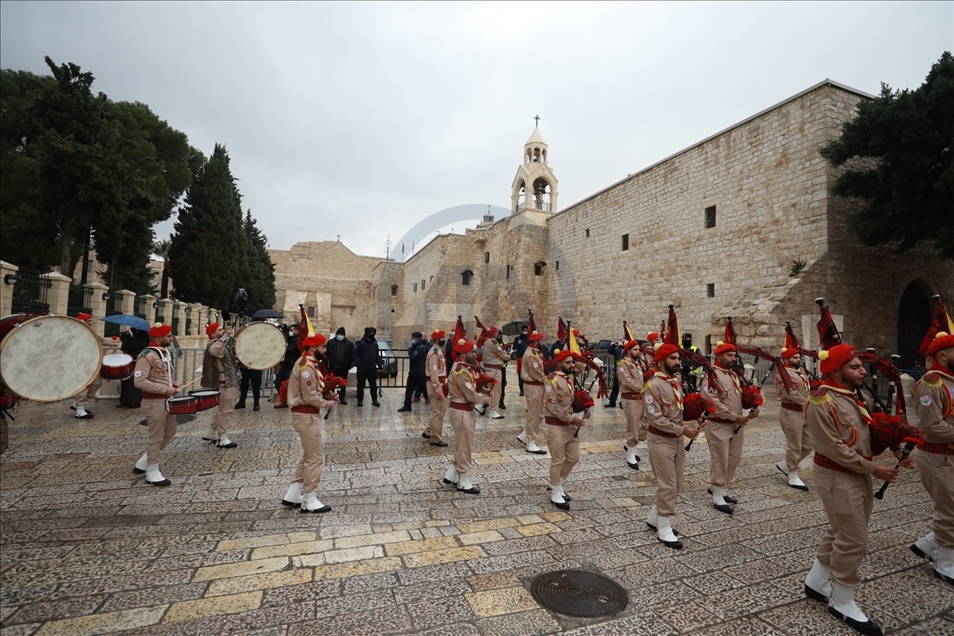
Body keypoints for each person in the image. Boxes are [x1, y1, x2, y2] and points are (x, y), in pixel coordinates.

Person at [803, 343, 912, 635]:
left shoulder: (853, 395)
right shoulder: (820, 402)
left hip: (857, 473)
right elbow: (832, 448)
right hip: (837, 475)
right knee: (853, 539)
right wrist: (875, 469)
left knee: (842, 529)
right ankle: (842, 600)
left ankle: (816, 581)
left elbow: (870, 429)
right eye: (854, 367)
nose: (863, 370)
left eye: (860, 366)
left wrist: (898, 449)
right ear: (836, 370)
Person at [644, 343, 705, 549]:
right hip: (660, 439)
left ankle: (654, 518)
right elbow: (655, 419)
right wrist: (683, 430)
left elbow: (678, 412)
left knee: (676, 483)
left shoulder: (674, 382)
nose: (678, 362)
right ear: (661, 361)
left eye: (678, 359)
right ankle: (664, 527)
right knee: (667, 484)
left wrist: (696, 417)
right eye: (673, 359)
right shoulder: (653, 385)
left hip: (676, 439)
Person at [910, 332, 954, 585]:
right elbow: (932, 426)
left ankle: (928, 544)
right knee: (950, 511)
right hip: (938, 457)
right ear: (943, 355)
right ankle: (946, 563)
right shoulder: (932, 383)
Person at [281, 332, 337, 513]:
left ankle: (293, 494)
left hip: (306, 415)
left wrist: (328, 394)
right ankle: (309, 499)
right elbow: (309, 395)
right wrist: (326, 403)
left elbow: (314, 389)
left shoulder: (309, 364)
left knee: (308, 455)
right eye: (323, 347)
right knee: (315, 457)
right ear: (313, 348)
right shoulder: (306, 366)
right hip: (306, 415)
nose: (325, 350)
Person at [703, 341, 759, 514]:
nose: (733, 358)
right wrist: (734, 416)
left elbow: (740, 397)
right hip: (719, 424)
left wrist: (754, 406)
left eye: (734, 355)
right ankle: (718, 494)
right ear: (718, 356)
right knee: (720, 459)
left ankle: (718, 486)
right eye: (729, 355)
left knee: (733, 458)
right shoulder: (711, 375)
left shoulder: (734, 375)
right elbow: (711, 401)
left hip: (736, 425)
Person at [131, 323, 180, 486]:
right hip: (153, 401)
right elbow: (139, 381)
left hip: (165, 400)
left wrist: (171, 384)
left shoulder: (162, 353)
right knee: (156, 437)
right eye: (169, 335)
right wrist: (165, 389)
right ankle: (152, 471)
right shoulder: (147, 355)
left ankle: (144, 461)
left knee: (170, 432)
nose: (171, 338)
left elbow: (160, 375)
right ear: (159, 337)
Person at [543, 349, 590, 510]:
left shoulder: (570, 380)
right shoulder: (552, 381)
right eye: (568, 362)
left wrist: (584, 409)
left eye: (572, 362)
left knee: (573, 457)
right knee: (557, 460)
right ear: (559, 363)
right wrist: (571, 418)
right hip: (556, 425)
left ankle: (558, 483)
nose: (572, 365)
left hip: (571, 426)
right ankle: (555, 491)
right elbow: (552, 405)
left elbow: (572, 402)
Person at [443, 338, 490, 494]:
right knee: (465, 446)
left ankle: (450, 475)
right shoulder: (461, 371)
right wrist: (483, 398)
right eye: (471, 352)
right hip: (462, 410)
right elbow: (470, 395)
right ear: (464, 354)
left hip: (463, 410)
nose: (473, 354)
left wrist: (482, 389)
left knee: (461, 444)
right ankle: (463, 480)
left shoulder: (464, 367)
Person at [774, 346, 812, 490]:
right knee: (794, 445)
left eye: (799, 357)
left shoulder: (800, 372)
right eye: (795, 358)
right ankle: (792, 475)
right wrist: (809, 403)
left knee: (808, 445)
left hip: (804, 411)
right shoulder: (781, 374)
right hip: (791, 412)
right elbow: (790, 393)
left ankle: (785, 464)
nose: (799, 360)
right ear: (786, 359)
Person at [70, 312, 120, 419]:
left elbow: (99, 339)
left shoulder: (89, 331)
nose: (91, 323)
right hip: (82, 364)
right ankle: (79, 409)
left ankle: (77, 404)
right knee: (85, 385)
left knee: (97, 383)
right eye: (88, 321)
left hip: (93, 363)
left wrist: (110, 343)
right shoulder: (76, 332)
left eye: (91, 320)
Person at [200, 322, 239, 448]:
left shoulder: (220, 343)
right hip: (226, 382)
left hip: (228, 380)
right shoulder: (215, 344)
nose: (223, 331)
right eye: (220, 330)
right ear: (212, 334)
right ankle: (222, 438)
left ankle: (211, 432)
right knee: (226, 410)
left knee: (221, 409)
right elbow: (215, 351)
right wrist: (225, 336)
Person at [618, 340, 647, 470]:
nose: (638, 352)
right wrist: (643, 389)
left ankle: (632, 446)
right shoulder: (622, 364)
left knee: (645, 425)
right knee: (633, 426)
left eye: (638, 349)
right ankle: (631, 453)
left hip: (641, 398)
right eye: (635, 349)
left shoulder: (637, 364)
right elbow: (627, 381)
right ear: (628, 350)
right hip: (630, 399)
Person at [518, 330, 548, 455]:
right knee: (534, 415)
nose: (544, 343)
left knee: (541, 413)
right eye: (541, 340)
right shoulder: (532, 355)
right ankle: (530, 442)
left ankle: (525, 436)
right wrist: (548, 380)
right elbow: (537, 373)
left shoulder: (536, 353)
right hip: (533, 386)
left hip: (537, 386)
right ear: (535, 341)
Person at [424, 329, 449, 447]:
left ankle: (429, 431)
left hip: (441, 382)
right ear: (436, 340)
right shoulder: (434, 352)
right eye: (442, 338)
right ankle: (435, 438)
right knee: (438, 412)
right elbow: (434, 372)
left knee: (441, 410)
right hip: (436, 384)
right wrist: (437, 388)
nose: (444, 339)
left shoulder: (439, 350)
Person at [480, 326, 510, 419]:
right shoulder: (494, 342)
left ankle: (480, 406)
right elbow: (502, 354)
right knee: (496, 391)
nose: (498, 334)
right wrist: (508, 356)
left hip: (488, 369)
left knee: (489, 391)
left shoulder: (486, 342)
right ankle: (493, 411)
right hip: (494, 370)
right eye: (496, 332)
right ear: (493, 334)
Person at [398, 332, 430, 413]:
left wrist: (409, 349)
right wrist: (411, 348)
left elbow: (414, 357)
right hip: (413, 372)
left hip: (419, 373)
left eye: (414, 338)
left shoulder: (421, 348)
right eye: (412, 338)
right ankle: (407, 405)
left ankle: (427, 397)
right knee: (409, 390)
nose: (413, 340)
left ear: (419, 338)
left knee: (423, 387)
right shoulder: (414, 347)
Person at [118, 327, 149, 408]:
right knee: (128, 381)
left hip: (134, 361)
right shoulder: (144, 337)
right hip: (134, 361)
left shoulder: (140, 338)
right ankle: (127, 400)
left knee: (131, 382)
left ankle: (133, 401)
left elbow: (128, 348)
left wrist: (126, 338)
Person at [352, 327, 380, 407]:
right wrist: (358, 365)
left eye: (373, 332)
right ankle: (360, 400)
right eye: (371, 332)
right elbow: (354, 353)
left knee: (373, 385)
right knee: (361, 385)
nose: (372, 334)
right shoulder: (360, 342)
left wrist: (380, 365)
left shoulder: (374, 343)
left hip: (372, 367)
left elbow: (377, 355)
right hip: (362, 367)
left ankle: (374, 400)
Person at [273, 323, 300, 408]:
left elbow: (289, 349)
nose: (290, 332)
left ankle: (292, 401)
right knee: (278, 382)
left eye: (292, 330)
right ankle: (284, 400)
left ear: (297, 331)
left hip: (291, 366)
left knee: (289, 385)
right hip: (285, 364)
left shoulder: (297, 340)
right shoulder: (290, 338)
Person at [325, 327, 353, 404]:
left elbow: (352, 355)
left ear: (344, 335)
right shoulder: (330, 343)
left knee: (343, 383)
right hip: (333, 367)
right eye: (338, 334)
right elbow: (326, 354)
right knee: (331, 383)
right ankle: (331, 396)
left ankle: (342, 397)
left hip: (344, 367)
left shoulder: (349, 344)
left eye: (341, 334)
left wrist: (349, 365)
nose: (340, 336)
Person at [512, 325, 530, 396]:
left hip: (528, 358)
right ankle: (521, 389)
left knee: (528, 373)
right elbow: (514, 347)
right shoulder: (517, 338)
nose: (525, 331)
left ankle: (527, 389)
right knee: (520, 374)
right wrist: (518, 343)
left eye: (526, 330)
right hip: (520, 358)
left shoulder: (529, 339)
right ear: (521, 330)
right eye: (524, 330)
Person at [605, 340, 624, 408]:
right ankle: (612, 402)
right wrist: (613, 345)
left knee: (624, 387)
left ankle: (622, 402)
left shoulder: (629, 350)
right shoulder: (617, 349)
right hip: (617, 370)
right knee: (615, 387)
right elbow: (609, 351)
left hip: (625, 371)